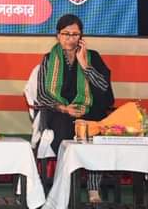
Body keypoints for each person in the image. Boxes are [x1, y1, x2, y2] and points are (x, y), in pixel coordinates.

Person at [36, 14, 114, 204]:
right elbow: (42, 95)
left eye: (75, 34)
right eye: (66, 34)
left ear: (81, 36)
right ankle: (67, 184)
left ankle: (93, 188)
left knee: (93, 133)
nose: (70, 38)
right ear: (58, 35)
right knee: (64, 131)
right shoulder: (49, 59)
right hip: (60, 112)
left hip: (90, 111)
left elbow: (104, 88)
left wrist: (85, 65)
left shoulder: (93, 57)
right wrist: (64, 108)